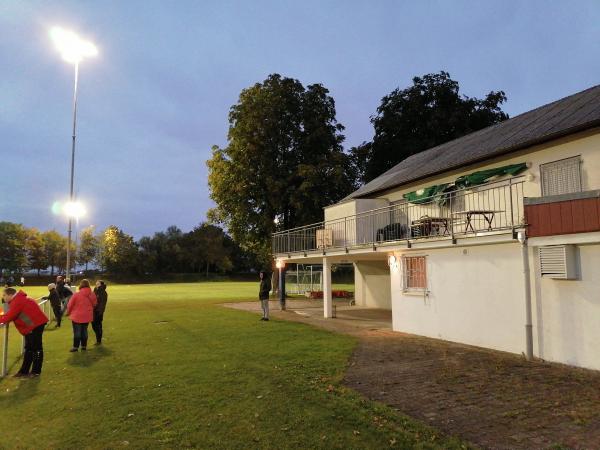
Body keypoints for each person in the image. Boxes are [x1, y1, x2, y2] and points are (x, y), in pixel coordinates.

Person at [0, 288, 49, 377]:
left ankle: (36, 371)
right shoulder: (18, 299)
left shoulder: (18, 301)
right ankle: (24, 371)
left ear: (10, 295)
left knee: (36, 348)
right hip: (33, 325)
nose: (3, 297)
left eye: (4, 295)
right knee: (29, 348)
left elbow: (9, 317)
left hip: (35, 325)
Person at [66, 279, 97, 352]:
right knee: (84, 331)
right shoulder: (92, 294)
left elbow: (69, 305)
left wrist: (69, 312)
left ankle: (75, 347)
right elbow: (95, 304)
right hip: (87, 315)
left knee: (77, 332)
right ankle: (84, 346)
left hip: (77, 316)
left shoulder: (76, 294)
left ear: (81, 285)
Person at [91, 280, 108, 345]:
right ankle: (98, 339)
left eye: (98, 284)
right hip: (93, 311)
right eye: (96, 284)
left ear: (101, 284)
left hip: (98, 312)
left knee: (97, 326)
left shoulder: (103, 292)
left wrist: (100, 312)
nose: (96, 285)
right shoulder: (95, 290)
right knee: (94, 325)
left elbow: (102, 304)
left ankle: (99, 340)